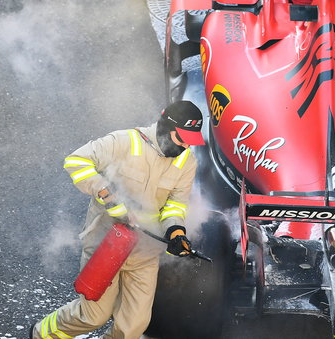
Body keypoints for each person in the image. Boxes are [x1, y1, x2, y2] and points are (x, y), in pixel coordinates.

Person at [29, 101, 205, 339]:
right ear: (165, 127)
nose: (185, 146)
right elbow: (76, 161)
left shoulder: (186, 162)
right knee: (93, 317)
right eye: (181, 138)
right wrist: (106, 194)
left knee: (133, 326)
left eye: (190, 141)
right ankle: (41, 333)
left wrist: (176, 232)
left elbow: (175, 204)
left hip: (145, 253)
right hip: (107, 244)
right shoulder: (125, 142)